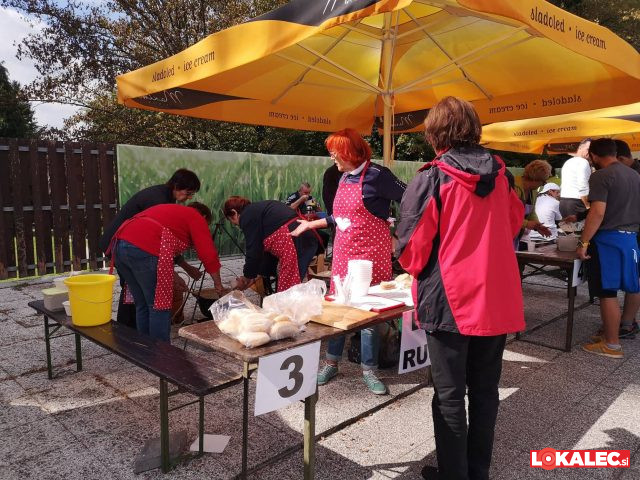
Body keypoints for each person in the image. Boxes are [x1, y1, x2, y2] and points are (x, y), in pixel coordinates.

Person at [395, 96, 524, 480]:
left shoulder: (432, 177)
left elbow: (411, 248)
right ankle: (476, 472)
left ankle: (454, 474)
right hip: (497, 297)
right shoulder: (503, 176)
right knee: (485, 392)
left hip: (450, 300)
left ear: (434, 134)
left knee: (450, 396)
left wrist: (415, 267)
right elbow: (514, 223)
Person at [291, 128, 406, 395]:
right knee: (339, 309)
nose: (333, 159)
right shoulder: (343, 178)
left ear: (350, 153)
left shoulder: (379, 175)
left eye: (335, 154)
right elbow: (338, 218)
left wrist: (402, 233)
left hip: (371, 256)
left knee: (366, 314)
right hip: (344, 254)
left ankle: (369, 369)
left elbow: (410, 196)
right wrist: (310, 226)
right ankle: (331, 363)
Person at [99, 169, 203, 327]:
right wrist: (175, 273)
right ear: (176, 185)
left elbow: (164, 242)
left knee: (137, 293)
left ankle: (133, 333)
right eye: (187, 193)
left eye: (191, 195)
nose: (188, 198)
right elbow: (162, 242)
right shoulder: (158, 199)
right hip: (121, 244)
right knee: (138, 293)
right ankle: (128, 332)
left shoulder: (165, 196)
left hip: (124, 244)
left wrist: (186, 267)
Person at [109, 202, 225, 342]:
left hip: (120, 244)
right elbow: (208, 254)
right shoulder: (195, 216)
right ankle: (162, 356)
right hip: (143, 248)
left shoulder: (173, 213)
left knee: (142, 303)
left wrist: (183, 271)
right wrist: (218, 284)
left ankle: (146, 349)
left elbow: (164, 244)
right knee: (158, 305)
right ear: (204, 217)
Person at [578, 138, 640, 358]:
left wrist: (583, 242)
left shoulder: (601, 176)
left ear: (593, 156)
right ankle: (613, 332)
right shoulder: (634, 175)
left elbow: (597, 212)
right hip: (630, 238)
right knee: (628, 287)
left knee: (607, 292)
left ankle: (612, 344)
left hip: (608, 241)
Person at [223, 196, 319, 292]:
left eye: (233, 222)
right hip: (302, 237)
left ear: (234, 213)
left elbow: (253, 249)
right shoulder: (259, 211)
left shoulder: (246, 216)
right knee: (293, 287)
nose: (236, 225)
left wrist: (247, 277)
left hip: (294, 239)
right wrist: (255, 275)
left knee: (287, 292)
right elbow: (262, 250)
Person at [513, 159, 553, 246]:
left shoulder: (533, 191)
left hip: (516, 234)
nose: (543, 185)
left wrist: (537, 225)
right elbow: (505, 215)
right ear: (535, 178)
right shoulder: (514, 187)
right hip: (505, 234)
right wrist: (526, 224)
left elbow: (531, 212)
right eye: (543, 181)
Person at [559, 138, 592, 221]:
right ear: (580, 148)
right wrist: (588, 206)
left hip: (564, 201)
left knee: (570, 231)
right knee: (580, 232)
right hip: (577, 202)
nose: (589, 152)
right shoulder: (583, 162)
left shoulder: (568, 162)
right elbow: (583, 186)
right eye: (588, 149)